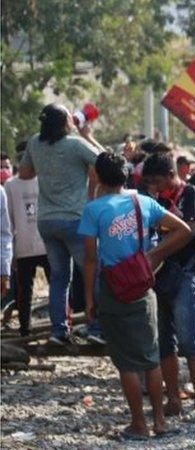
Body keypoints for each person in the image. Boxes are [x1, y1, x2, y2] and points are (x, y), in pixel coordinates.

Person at [80, 152, 192, 439]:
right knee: (150, 357)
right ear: (127, 175)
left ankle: (138, 425)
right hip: (144, 286)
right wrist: (153, 256)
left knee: (126, 361)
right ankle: (160, 422)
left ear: (100, 177)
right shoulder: (142, 202)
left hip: (114, 288)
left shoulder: (94, 210)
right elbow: (184, 230)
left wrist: (89, 299)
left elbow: (90, 259)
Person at [18, 104, 104, 345]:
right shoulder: (75, 144)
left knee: (59, 277)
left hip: (46, 220)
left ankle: (59, 331)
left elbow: (24, 174)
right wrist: (89, 138)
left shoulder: (35, 142)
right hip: (74, 219)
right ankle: (96, 328)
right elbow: (106, 163)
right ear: (65, 121)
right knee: (92, 272)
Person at [141, 153, 195, 421]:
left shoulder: (189, 194)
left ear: (171, 175)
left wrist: (156, 254)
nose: (154, 186)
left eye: (156, 180)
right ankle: (173, 398)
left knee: (189, 339)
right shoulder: (153, 199)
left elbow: (190, 231)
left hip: (183, 273)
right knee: (164, 343)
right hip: (158, 277)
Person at [5, 148, 48, 337]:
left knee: (58, 286)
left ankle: (61, 326)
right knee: (24, 292)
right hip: (23, 245)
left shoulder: (44, 180)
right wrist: (11, 251)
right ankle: (25, 329)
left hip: (47, 244)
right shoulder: (10, 185)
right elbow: (9, 220)